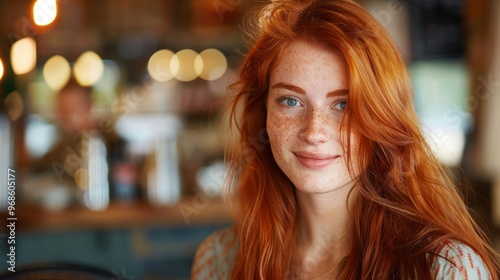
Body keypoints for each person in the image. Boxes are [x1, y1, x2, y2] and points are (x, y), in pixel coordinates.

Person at [191, 0, 500, 279]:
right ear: (263, 113)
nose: (314, 131)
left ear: (383, 118)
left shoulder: (446, 268)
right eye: (290, 101)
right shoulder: (219, 262)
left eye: (344, 105)